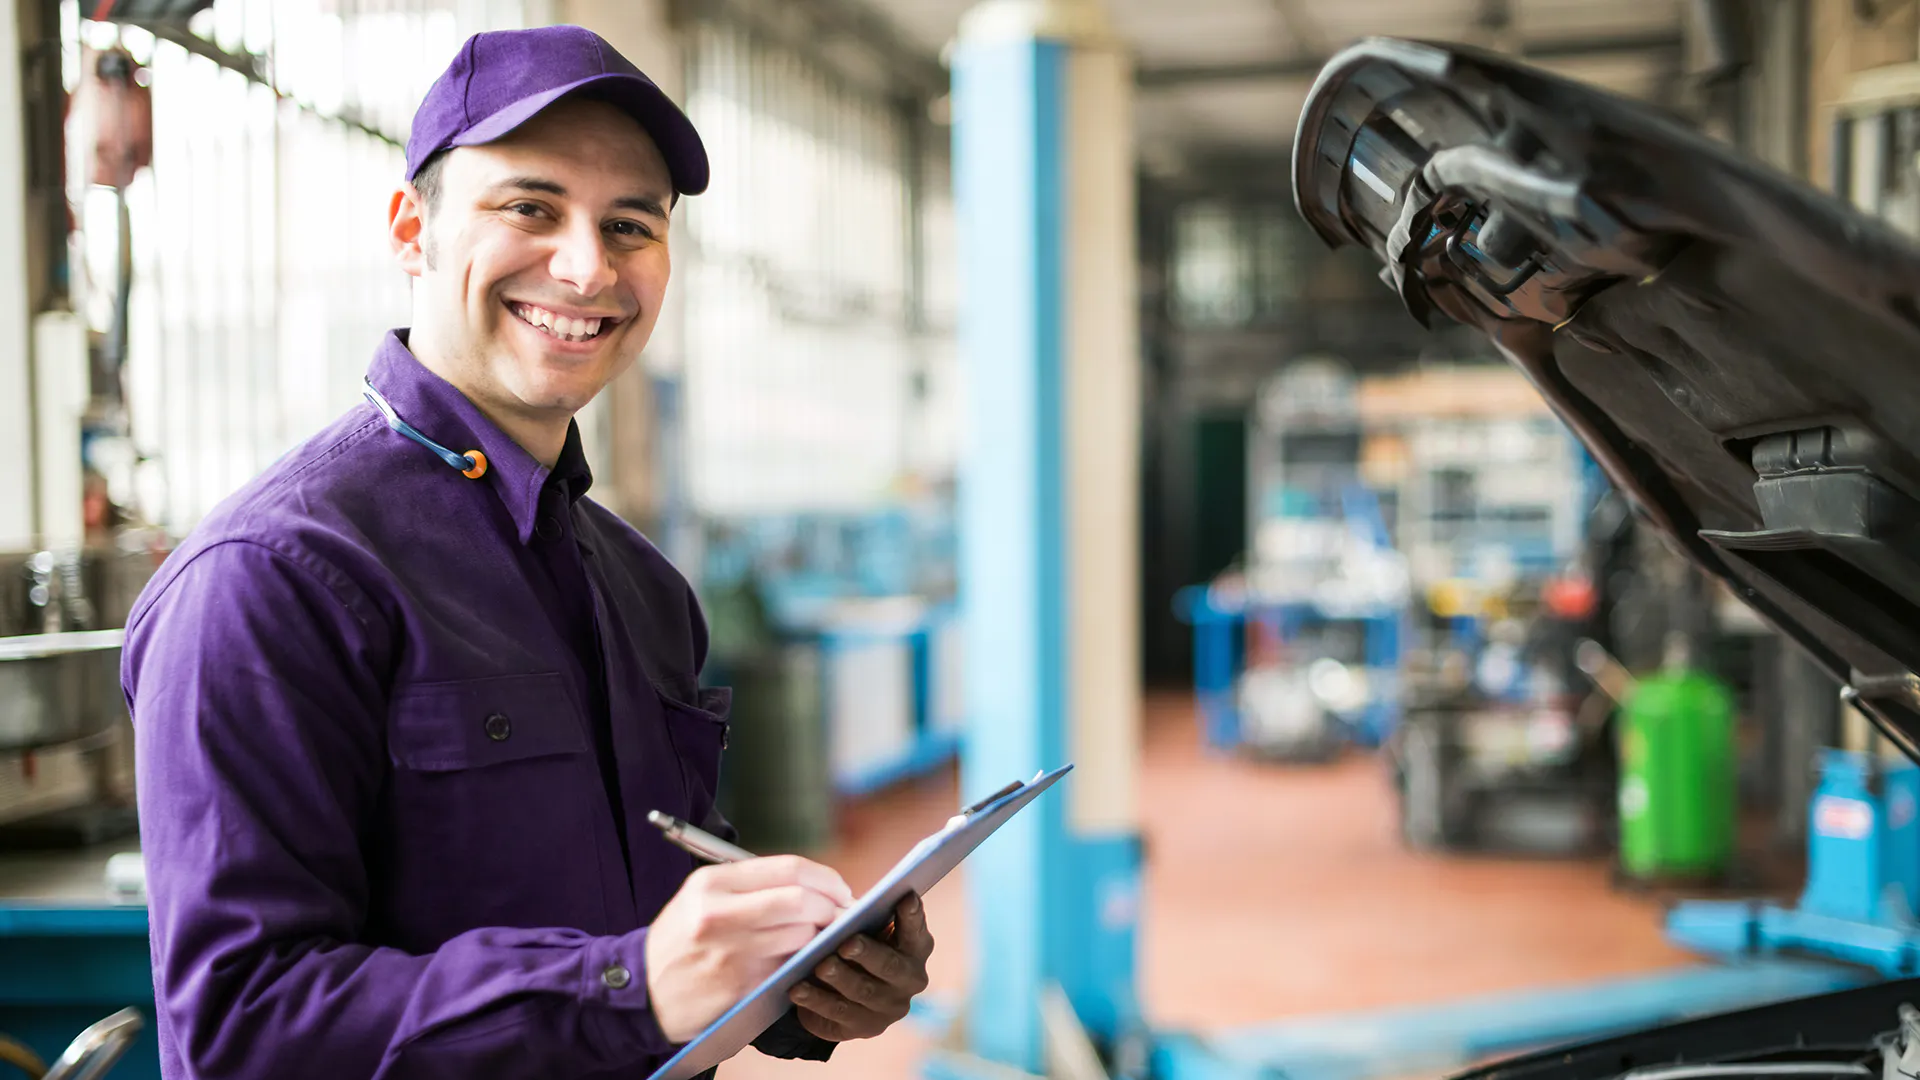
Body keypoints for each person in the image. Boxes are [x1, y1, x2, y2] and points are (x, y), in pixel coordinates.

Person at [122, 24, 933, 1080]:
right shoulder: (269, 580)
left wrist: (801, 981)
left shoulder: (641, 589)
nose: (588, 266)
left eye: (630, 225)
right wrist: (626, 987)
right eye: (531, 209)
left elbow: (649, 909)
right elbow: (242, 1028)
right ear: (412, 229)